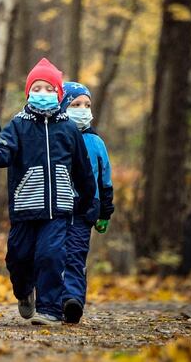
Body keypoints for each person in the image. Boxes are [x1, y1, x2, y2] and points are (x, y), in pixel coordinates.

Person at [0, 58, 96, 325]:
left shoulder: (68, 129)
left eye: (49, 89)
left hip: (59, 209)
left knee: (50, 256)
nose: (43, 94)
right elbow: (2, 154)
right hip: (25, 206)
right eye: (37, 88)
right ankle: (23, 291)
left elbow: (83, 169)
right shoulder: (18, 125)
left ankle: (50, 309)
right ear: (28, 92)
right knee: (18, 257)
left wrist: (88, 199)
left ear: (59, 94)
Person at [60, 82, 115, 324]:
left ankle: (72, 299)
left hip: (85, 209)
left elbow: (106, 180)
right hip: (56, 205)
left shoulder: (96, 143)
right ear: (63, 107)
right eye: (75, 104)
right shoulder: (55, 138)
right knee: (52, 254)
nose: (83, 109)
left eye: (87, 105)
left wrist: (105, 212)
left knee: (75, 253)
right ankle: (49, 301)